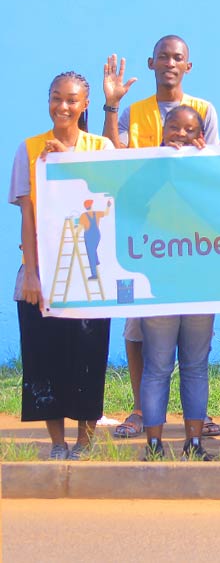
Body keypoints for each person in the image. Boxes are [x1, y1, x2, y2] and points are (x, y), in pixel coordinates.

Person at [101, 40, 220, 441]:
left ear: (189, 65)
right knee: (142, 339)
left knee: (194, 354)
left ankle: (194, 421)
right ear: (151, 63)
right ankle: (143, 412)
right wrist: (112, 106)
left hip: (193, 247)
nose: (170, 63)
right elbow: (112, 156)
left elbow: (215, 171)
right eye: (164, 57)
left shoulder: (204, 110)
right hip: (146, 245)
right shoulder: (134, 112)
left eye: (178, 58)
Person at [12, 71, 113, 460]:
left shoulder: (100, 147)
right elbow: (27, 213)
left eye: (72, 100)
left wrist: (66, 163)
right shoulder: (29, 148)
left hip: (89, 273)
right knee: (44, 356)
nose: (63, 106)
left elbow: (108, 195)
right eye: (57, 98)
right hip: (43, 270)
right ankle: (57, 442)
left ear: (85, 104)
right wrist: (31, 272)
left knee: (88, 355)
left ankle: (85, 441)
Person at [141, 106, 215, 461]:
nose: (181, 135)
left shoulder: (208, 171)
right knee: (157, 366)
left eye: (190, 130)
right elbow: (130, 201)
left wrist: (203, 166)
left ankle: (194, 443)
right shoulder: (146, 168)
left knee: (195, 366)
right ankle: (154, 444)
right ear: (162, 130)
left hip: (200, 283)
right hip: (159, 283)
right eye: (174, 127)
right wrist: (160, 161)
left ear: (201, 136)